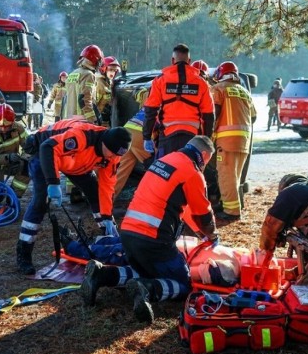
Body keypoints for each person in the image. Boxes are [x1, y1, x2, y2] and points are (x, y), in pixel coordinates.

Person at [80, 135, 218, 323]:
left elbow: (184, 210)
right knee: (184, 284)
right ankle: (148, 289)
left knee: (145, 269)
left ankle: (101, 275)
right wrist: (212, 235)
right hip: (153, 240)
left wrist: (201, 234)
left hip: (128, 234)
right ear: (203, 155)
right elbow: (203, 214)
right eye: (207, 161)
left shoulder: (164, 161)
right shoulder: (192, 172)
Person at [15, 120, 132, 275]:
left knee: (96, 195)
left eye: (116, 155)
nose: (112, 157)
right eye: (110, 152)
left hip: (76, 162)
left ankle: (110, 238)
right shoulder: (81, 137)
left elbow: (107, 187)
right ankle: (24, 253)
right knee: (40, 202)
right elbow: (47, 147)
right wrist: (53, 182)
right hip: (45, 153)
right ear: (104, 143)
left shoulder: (113, 155)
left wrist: (107, 216)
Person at [142, 44, 214, 158]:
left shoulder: (160, 80)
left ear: (172, 60)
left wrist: (146, 137)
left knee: (166, 172)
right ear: (189, 61)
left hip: (167, 137)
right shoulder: (202, 83)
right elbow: (209, 115)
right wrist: (206, 139)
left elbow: (150, 111)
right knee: (190, 173)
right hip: (192, 139)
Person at [210, 61, 256, 223]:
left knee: (226, 176)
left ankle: (231, 211)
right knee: (235, 177)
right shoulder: (244, 92)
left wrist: (209, 135)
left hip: (226, 140)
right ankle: (230, 205)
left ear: (221, 74)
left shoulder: (219, 89)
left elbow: (213, 114)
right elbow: (254, 117)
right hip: (244, 141)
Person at [0, 104, 30, 197]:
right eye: (0, 126)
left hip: (12, 164)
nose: (3, 129)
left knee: (27, 165)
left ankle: (13, 196)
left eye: (7, 126)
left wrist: (23, 157)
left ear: (13, 121)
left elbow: (29, 147)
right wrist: (8, 158)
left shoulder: (18, 128)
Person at [113, 89, 153, 199]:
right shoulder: (168, 103)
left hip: (128, 130)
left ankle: (103, 202)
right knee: (158, 169)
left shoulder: (149, 97)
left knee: (120, 172)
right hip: (141, 134)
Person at [64, 45, 104, 124]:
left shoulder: (72, 74)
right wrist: (93, 119)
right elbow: (85, 99)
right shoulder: (88, 75)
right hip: (82, 119)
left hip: (68, 118)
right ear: (95, 60)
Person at [95, 56, 120, 127]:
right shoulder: (99, 83)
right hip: (99, 122)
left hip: (107, 121)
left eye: (115, 71)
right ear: (104, 69)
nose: (113, 72)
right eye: (110, 69)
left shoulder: (109, 82)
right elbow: (93, 105)